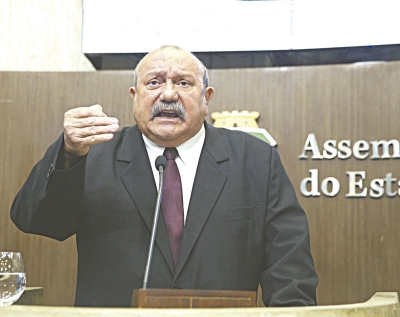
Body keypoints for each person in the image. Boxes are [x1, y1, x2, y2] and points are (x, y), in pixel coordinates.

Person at [10, 45, 318, 307]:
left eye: (183, 83)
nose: (168, 94)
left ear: (206, 97)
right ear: (134, 95)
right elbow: (37, 221)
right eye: (154, 83)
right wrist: (68, 154)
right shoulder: (92, 155)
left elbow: (288, 264)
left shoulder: (255, 159)